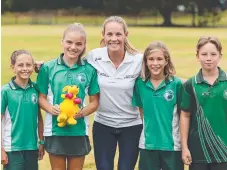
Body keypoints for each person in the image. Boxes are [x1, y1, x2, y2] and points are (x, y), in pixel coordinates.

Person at [37, 23, 100, 170]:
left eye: (79, 43)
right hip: (54, 129)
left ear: (84, 45)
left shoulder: (89, 70)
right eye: (69, 42)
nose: (73, 47)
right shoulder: (48, 68)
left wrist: (82, 112)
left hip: (78, 130)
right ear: (62, 41)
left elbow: (95, 102)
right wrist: (51, 109)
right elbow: (41, 97)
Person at [86, 16, 143, 170]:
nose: (114, 39)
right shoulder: (93, 56)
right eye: (109, 34)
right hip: (103, 125)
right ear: (103, 35)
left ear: (126, 35)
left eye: (118, 34)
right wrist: (43, 66)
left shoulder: (139, 60)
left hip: (132, 125)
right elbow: (71, 65)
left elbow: (160, 75)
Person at [132, 41, 184, 170]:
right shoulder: (140, 84)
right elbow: (142, 111)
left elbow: (182, 115)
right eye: (151, 59)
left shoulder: (176, 84)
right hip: (147, 144)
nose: (155, 63)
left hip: (172, 145)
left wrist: (183, 142)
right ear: (145, 61)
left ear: (166, 61)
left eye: (159, 59)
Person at [180, 36, 227, 170]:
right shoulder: (191, 84)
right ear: (197, 56)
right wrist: (184, 147)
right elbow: (185, 115)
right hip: (198, 152)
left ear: (220, 56)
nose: (208, 58)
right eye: (204, 54)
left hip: (224, 152)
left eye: (213, 54)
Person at [1, 50, 44, 170]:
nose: (25, 68)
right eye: (20, 65)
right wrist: (1, 149)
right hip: (12, 148)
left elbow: (39, 117)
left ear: (33, 66)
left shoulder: (35, 88)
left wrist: (41, 142)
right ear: (12, 67)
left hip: (32, 147)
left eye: (28, 65)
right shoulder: (5, 91)